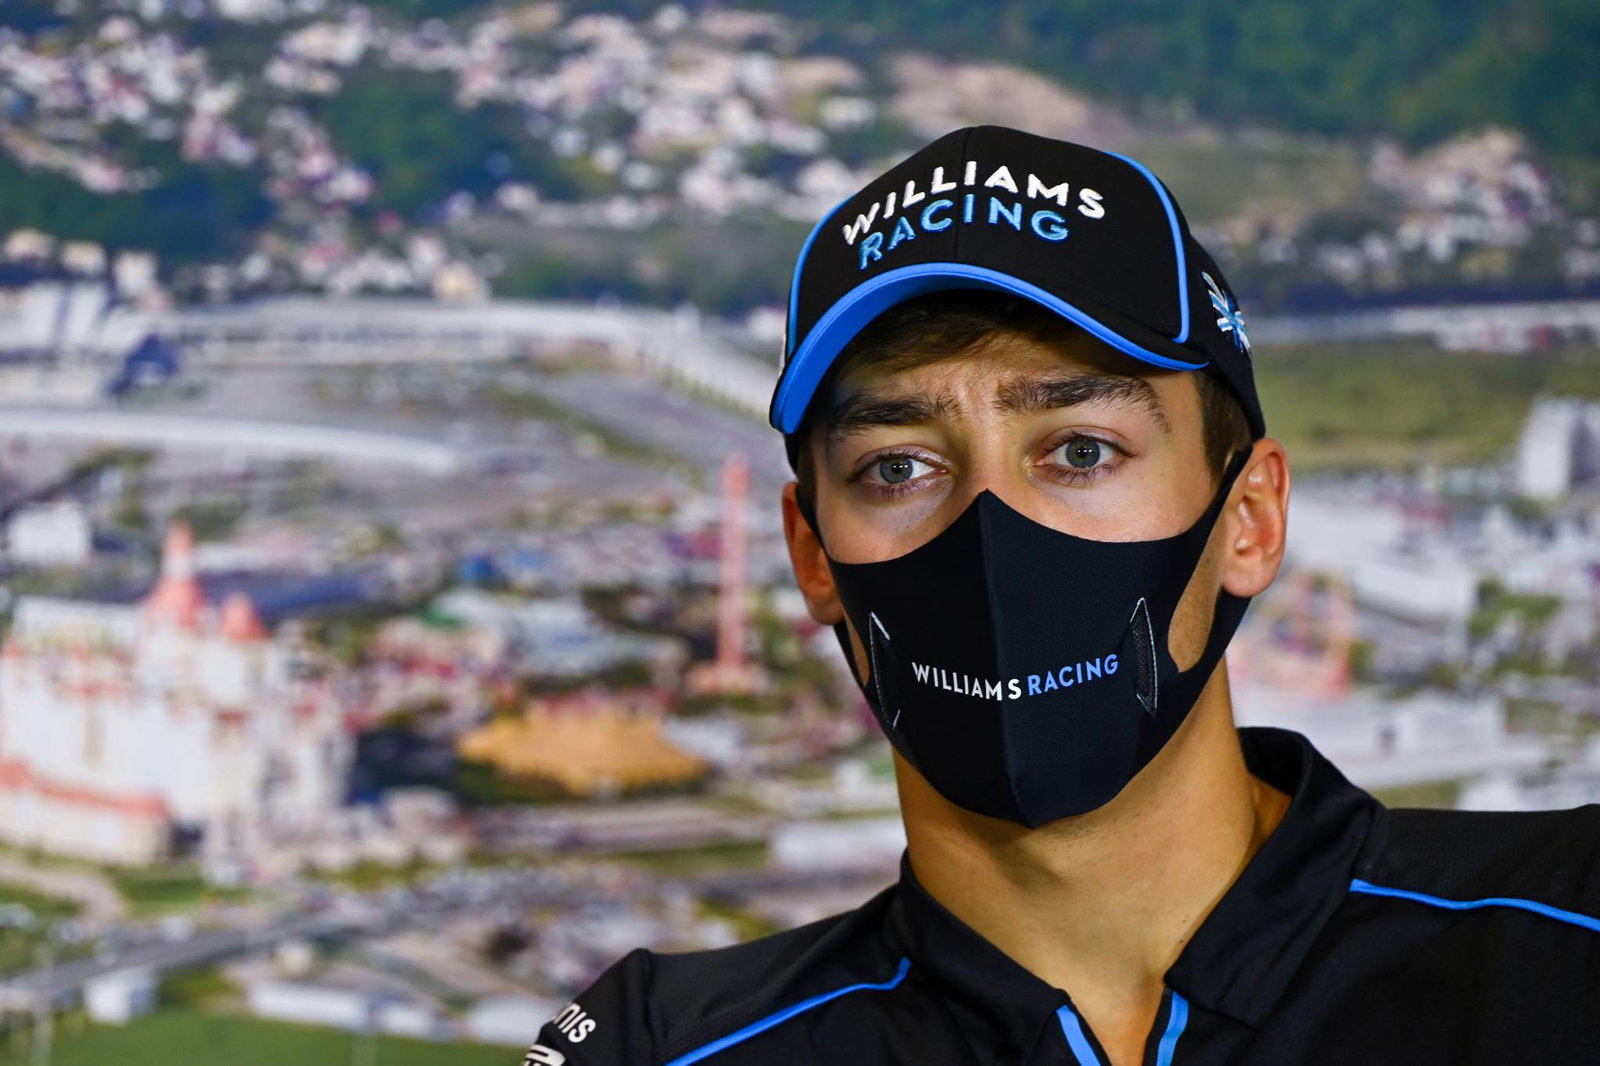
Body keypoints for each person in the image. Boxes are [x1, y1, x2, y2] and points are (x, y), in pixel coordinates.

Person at [524, 126, 1600, 1066]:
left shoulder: (1563, 931)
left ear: (1250, 519)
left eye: (1080, 449)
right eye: (897, 466)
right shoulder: (661, 1047)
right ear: (812, 554)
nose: (988, 537)